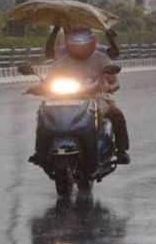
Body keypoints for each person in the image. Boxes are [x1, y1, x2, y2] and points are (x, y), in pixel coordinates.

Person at [32, 28, 130, 165]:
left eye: (83, 42)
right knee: (42, 115)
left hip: (96, 97)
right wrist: (40, 87)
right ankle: (40, 152)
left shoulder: (101, 57)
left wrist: (109, 87)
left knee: (116, 114)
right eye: (75, 42)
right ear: (69, 43)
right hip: (64, 99)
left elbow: (115, 82)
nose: (80, 46)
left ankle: (121, 150)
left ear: (91, 42)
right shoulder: (61, 60)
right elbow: (49, 80)